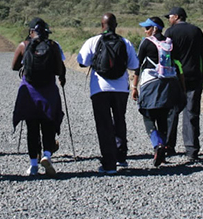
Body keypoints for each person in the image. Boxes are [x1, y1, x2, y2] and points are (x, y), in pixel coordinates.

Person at [77, 13, 139, 174]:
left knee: (104, 125)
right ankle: (121, 157)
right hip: (121, 89)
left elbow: (82, 61)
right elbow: (134, 64)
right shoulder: (125, 42)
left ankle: (109, 163)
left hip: (100, 89)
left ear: (101, 25)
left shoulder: (92, 41)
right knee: (120, 120)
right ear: (116, 25)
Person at [11, 18, 66, 177]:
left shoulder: (24, 45)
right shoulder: (53, 46)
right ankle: (47, 155)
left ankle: (33, 165)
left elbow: (14, 66)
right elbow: (58, 69)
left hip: (29, 91)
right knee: (48, 124)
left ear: (31, 32)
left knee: (31, 127)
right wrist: (62, 77)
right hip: (48, 90)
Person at [131, 17, 186, 167]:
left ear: (154, 28)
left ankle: (158, 145)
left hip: (150, 83)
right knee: (163, 116)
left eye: (147, 28)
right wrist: (182, 89)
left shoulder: (146, 43)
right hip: (170, 85)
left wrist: (134, 86)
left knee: (147, 115)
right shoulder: (170, 43)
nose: (145, 31)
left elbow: (137, 66)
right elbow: (178, 66)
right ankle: (163, 152)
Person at [164, 7, 203, 162]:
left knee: (172, 113)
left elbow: (166, 55)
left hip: (175, 77)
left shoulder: (170, 33)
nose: (168, 20)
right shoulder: (196, 31)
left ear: (176, 16)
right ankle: (192, 149)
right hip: (194, 77)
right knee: (191, 113)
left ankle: (169, 146)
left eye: (169, 17)